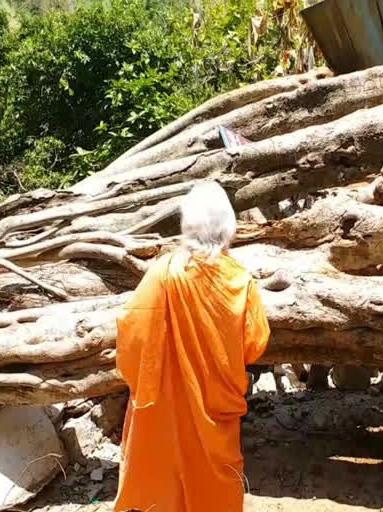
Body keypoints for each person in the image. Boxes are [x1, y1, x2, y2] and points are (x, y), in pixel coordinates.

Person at [113, 182, 270, 512]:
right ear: (228, 224)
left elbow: (132, 333)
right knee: (217, 492)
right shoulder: (240, 280)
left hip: (166, 411)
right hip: (218, 414)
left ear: (187, 223)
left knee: (166, 492)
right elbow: (255, 346)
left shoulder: (165, 272)